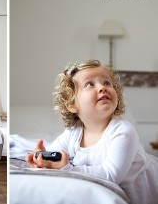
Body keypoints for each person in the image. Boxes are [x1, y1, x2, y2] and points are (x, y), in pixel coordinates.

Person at [25, 60, 158, 204]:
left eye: (107, 83)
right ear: (71, 104)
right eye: (90, 84)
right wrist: (42, 157)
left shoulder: (123, 131)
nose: (102, 87)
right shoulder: (74, 133)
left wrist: (67, 169)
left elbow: (111, 175)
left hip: (142, 194)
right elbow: (55, 151)